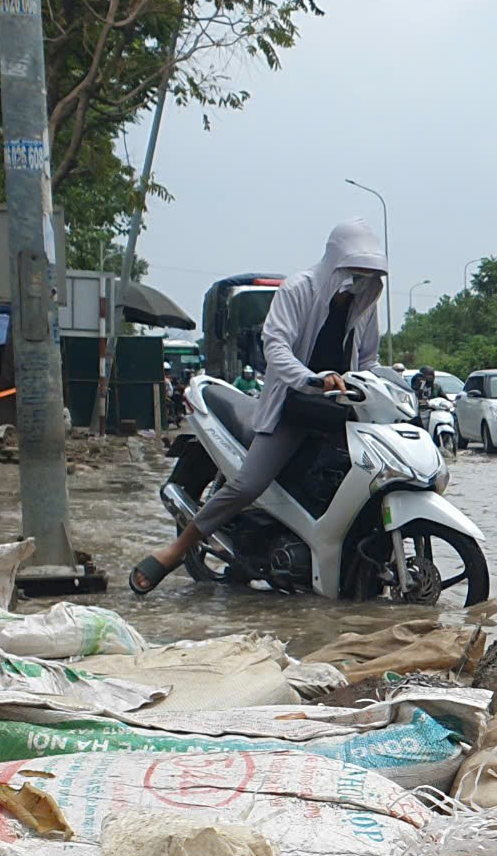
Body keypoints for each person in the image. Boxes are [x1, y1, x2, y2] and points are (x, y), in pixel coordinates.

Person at [131, 220, 385, 594]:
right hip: (293, 408)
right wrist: (311, 379)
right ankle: (175, 549)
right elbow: (276, 347)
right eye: (355, 272)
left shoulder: (363, 305)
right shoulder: (300, 290)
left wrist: (386, 386)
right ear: (337, 264)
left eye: (368, 275)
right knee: (249, 484)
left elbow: (369, 359)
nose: (360, 281)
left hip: (339, 411)